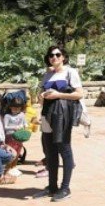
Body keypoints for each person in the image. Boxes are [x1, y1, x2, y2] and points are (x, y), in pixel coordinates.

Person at [32, 45, 85, 201]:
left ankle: (65, 188)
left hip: (63, 114)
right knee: (49, 150)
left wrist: (58, 94)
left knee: (64, 148)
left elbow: (79, 94)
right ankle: (52, 186)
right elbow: (40, 97)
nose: (53, 57)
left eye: (57, 54)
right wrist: (42, 95)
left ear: (63, 57)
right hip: (47, 114)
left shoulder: (70, 72)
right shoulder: (47, 75)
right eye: (51, 55)